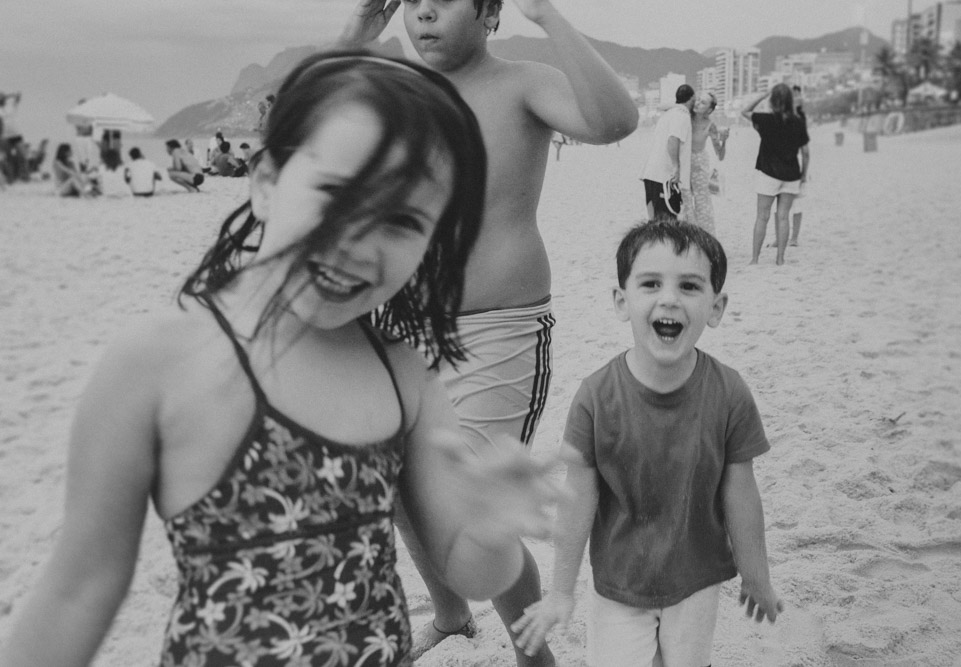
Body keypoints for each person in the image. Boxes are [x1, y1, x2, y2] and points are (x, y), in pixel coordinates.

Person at [1, 51, 559, 667]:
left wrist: (490, 530)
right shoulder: (154, 364)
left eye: (402, 219)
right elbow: (79, 590)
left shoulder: (402, 376)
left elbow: (468, 570)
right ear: (266, 182)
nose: (357, 240)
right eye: (336, 193)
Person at [337, 1, 638, 663]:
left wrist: (550, 17)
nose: (424, 14)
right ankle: (449, 612)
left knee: (473, 507)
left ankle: (535, 655)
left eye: (443, 1)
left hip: (500, 331)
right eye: (413, 3)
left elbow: (615, 119)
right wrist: (359, 32)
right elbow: (302, 132)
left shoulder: (521, 85)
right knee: (400, 489)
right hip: (400, 327)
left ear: (490, 12)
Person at [513, 220, 783, 666]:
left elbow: (741, 492)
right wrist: (561, 591)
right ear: (623, 301)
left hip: (696, 578)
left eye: (690, 286)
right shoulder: (596, 397)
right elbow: (578, 494)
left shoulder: (729, 392)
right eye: (651, 283)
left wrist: (757, 576)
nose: (670, 298)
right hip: (618, 582)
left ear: (716, 308)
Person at [742, 83, 809, 265]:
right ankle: (780, 258)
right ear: (789, 101)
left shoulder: (765, 120)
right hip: (791, 175)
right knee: (783, 216)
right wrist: (803, 174)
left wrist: (763, 95)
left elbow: (745, 111)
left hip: (769, 173)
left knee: (762, 216)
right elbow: (806, 152)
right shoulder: (797, 122)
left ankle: (755, 259)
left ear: (772, 101)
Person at [640, 84, 696, 223]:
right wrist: (676, 167)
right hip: (664, 177)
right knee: (666, 223)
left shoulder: (668, 114)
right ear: (691, 99)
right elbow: (673, 139)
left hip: (651, 174)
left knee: (654, 222)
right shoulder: (682, 115)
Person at [770, 85, 808, 247]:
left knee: (796, 204)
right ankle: (780, 238)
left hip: (795, 163)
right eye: (794, 96)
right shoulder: (780, 116)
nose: (796, 98)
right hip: (782, 164)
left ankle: (794, 238)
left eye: (798, 95)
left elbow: (803, 146)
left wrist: (804, 174)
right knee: (779, 205)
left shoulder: (800, 118)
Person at [687, 90, 728, 234]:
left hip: (699, 166)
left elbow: (720, 155)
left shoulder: (710, 125)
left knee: (703, 205)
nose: (697, 103)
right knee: (684, 204)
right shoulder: (684, 117)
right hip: (683, 164)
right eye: (698, 100)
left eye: (703, 102)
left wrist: (724, 141)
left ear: (709, 110)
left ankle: (706, 239)